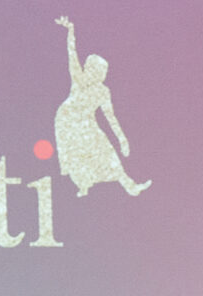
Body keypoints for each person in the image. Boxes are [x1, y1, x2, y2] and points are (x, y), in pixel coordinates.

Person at [51, 16, 150, 198]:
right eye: (99, 71)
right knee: (77, 156)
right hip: (68, 121)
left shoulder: (103, 92)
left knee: (106, 150)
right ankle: (83, 186)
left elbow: (110, 117)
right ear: (90, 70)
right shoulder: (79, 79)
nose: (102, 75)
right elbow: (71, 54)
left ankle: (130, 186)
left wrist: (122, 139)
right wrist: (70, 31)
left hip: (87, 123)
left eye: (104, 72)